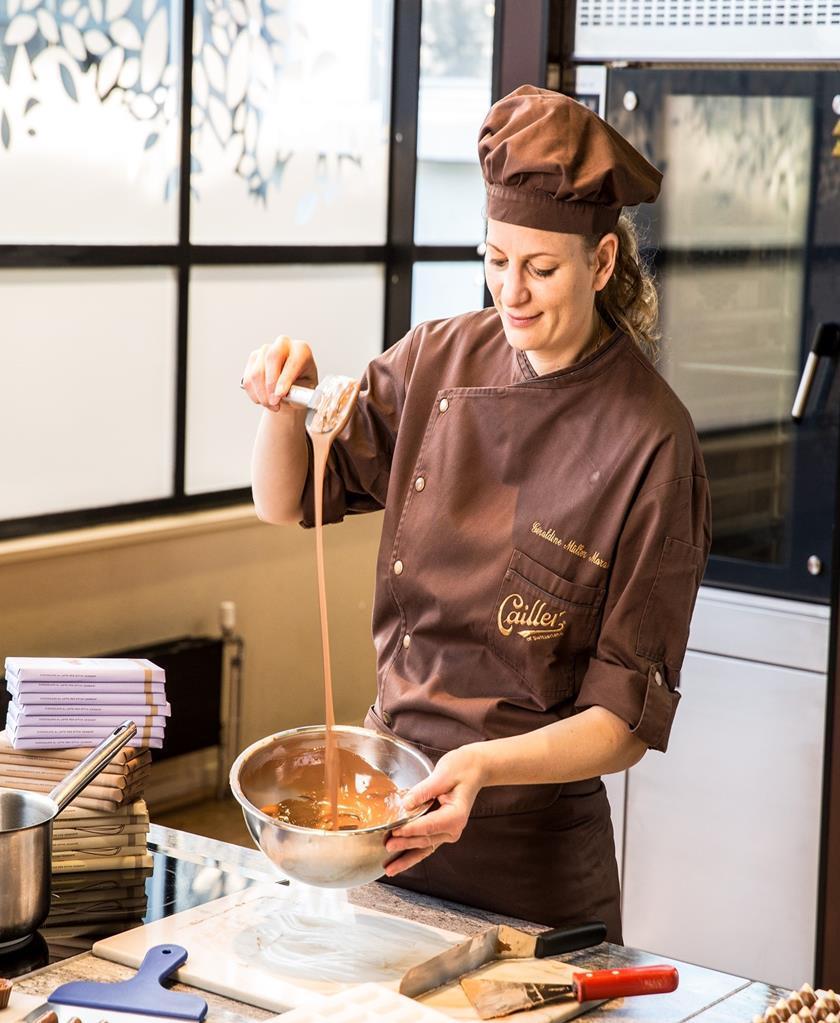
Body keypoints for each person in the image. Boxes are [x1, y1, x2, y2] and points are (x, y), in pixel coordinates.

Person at [243, 85, 711, 942]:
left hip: (527, 865)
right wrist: (282, 403)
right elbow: (284, 502)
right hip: (379, 834)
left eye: (541, 268)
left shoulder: (654, 443)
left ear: (602, 263)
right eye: (496, 260)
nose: (513, 293)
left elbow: (621, 723)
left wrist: (483, 768)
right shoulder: (439, 359)